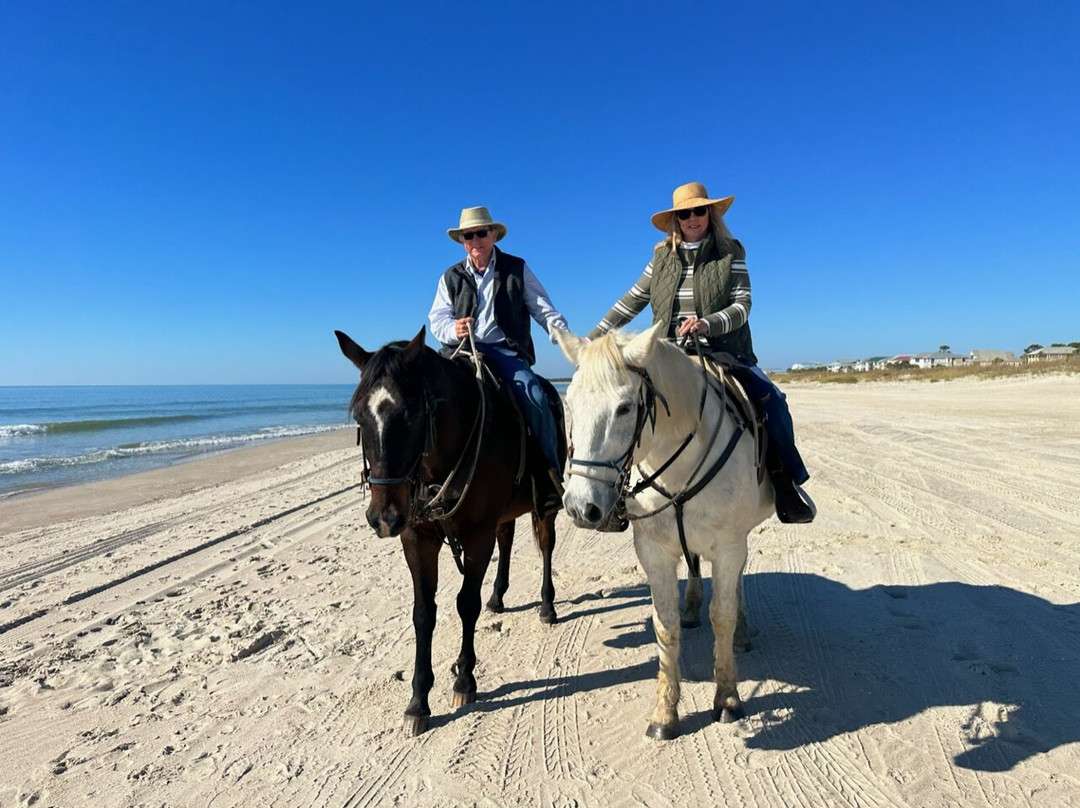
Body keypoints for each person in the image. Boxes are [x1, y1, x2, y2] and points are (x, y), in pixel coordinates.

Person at [589, 182, 814, 523]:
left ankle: (785, 483)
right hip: (667, 353)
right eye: (684, 213)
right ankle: (617, 496)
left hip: (723, 351)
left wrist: (707, 324)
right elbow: (631, 300)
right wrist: (593, 338)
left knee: (772, 401)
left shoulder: (730, 252)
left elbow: (743, 305)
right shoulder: (661, 258)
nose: (692, 218)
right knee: (625, 407)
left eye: (699, 210)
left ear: (710, 214)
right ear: (675, 220)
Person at [429, 205, 569, 513]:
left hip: (504, 352)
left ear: (493, 234)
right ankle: (422, 484)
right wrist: (453, 329)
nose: (475, 240)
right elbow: (437, 320)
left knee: (536, 398)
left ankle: (549, 478)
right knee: (426, 401)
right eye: (468, 236)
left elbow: (543, 308)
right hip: (461, 351)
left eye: (481, 233)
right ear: (462, 241)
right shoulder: (450, 277)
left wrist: (565, 338)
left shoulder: (516, 268)